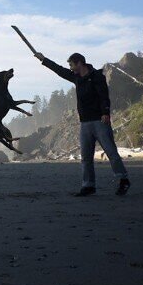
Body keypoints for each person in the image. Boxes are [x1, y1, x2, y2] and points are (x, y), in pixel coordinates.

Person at [34, 51, 131, 196]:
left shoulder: (97, 76)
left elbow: (104, 95)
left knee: (111, 152)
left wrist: (105, 112)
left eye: (72, 65)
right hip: (85, 123)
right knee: (86, 156)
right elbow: (59, 70)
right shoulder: (76, 78)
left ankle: (123, 179)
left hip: (99, 121)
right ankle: (88, 185)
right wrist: (44, 60)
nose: (71, 68)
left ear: (80, 63)